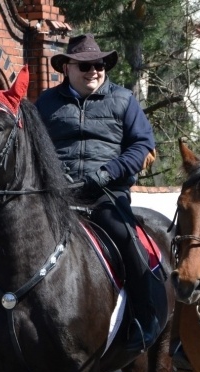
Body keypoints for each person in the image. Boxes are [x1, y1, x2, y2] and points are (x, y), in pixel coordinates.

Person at [35, 33, 159, 354]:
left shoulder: (124, 99)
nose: (94, 71)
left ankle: (145, 317)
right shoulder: (45, 103)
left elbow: (143, 144)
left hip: (107, 193)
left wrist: (108, 172)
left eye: (99, 65)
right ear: (67, 68)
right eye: (85, 65)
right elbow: (29, 145)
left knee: (128, 239)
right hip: (57, 196)